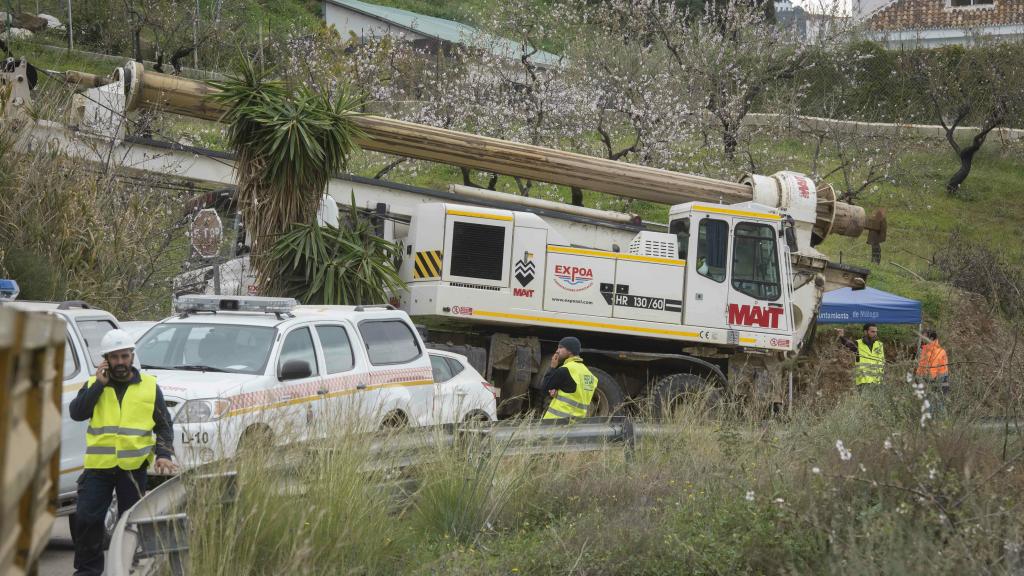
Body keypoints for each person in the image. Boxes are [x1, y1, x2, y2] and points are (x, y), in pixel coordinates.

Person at [68, 329, 177, 576]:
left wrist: (163, 454)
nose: (120, 362)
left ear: (132, 356)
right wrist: (98, 385)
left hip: (132, 469)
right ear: (106, 359)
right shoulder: (94, 384)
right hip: (99, 467)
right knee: (86, 520)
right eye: (114, 357)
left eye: (124, 356)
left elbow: (163, 426)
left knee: (132, 525)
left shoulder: (149, 387)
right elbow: (77, 412)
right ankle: (87, 572)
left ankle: (129, 569)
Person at [541, 336, 598, 420]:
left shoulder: (565, 370)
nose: (557, 351)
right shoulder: (590, 375)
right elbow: (575, 394)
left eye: (560, 347)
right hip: (576, 424)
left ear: (570, 351)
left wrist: (552, 367)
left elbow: (544, 388)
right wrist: (558, 393)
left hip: (556, 422)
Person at [838, 323, 885, 387]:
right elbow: (848, 344)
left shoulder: (880, 345)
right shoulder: (858, 344)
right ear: (865, 332)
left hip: (878, 382)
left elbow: (882, 363)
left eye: (876, 332)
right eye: (872, 332)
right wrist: (842, 336)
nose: (875, 334)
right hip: (863, 382)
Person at [917, 329, 950, 411]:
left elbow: (934, 369)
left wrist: (925, 380)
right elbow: (921, 366)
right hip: (929, 381)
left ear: (931, 338)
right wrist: (917, 377)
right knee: (929, 405)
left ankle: (941, 423)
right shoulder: (925, 350)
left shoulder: (939, 351)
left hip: (939, 382)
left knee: (939, 406)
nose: (922, 338)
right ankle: (932, 422)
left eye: (924, 336)